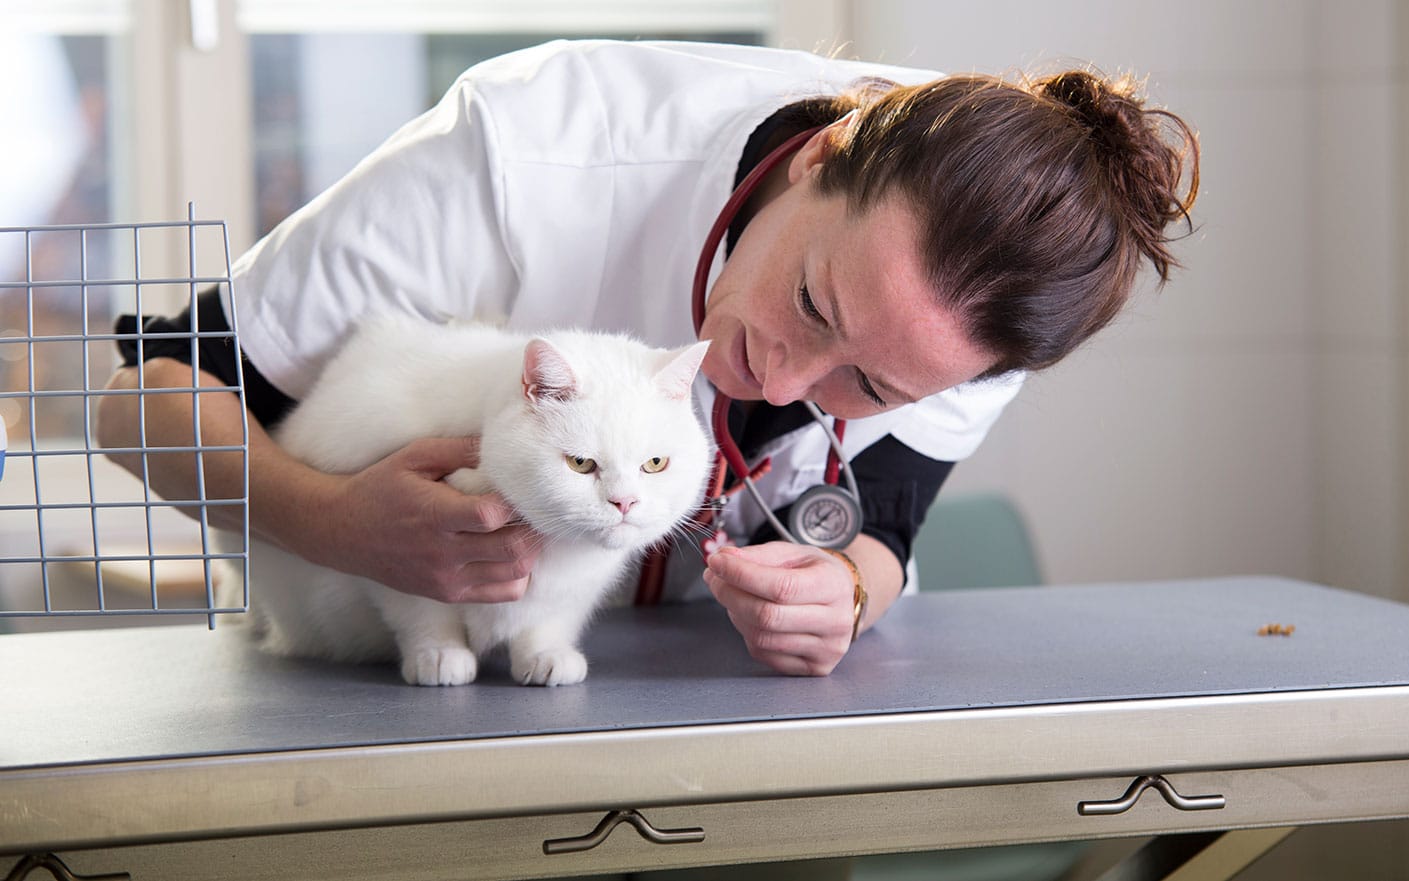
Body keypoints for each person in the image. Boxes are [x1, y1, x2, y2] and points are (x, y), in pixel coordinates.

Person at [98, 39, 1198, 678]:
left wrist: (848, 593)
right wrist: (333, 522)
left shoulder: (989, 309)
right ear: (817, 158)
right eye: (810, 301)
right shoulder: (526, 151)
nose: (780, 382)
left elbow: (884, 525)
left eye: (870, 387)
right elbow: (138, 403)